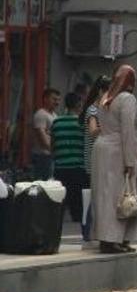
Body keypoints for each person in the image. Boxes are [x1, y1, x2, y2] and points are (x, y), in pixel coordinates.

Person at [91, 65, 137, 254]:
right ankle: (116, 239)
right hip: (119, 151)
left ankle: (109, 238)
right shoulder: (127, 99)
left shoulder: (105, 98)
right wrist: (130, 162)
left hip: (102, 148)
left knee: (105, 196)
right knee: (120, 197)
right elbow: (129, 131)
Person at [80, 75, 111, 242]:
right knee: (96, 196)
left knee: (100, 196)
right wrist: (108, 125)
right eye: (107, 90)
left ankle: (95, 231)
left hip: (101, 159)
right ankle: (88, 231)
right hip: (94, 160)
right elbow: (92, 131)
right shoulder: (93, 110)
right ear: (100, 91)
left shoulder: (103, 109)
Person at [52, 93, 86, 224]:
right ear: (79, 105)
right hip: (78, 167)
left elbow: (53, 145)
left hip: (60, 167)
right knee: (77, 201)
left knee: (61, 198)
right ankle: (78, 222)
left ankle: (57, 221)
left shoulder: (57, 122)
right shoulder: (82, 123)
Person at [32, 88, 61, 180]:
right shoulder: (41, 114)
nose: (57, 102)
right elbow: (42, 138)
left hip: (51, 156)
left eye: (58, 100)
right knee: (44, 185)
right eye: (54, 99)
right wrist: (55, 151)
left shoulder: (55, 116)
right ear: (45, 99)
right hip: (43, 157)